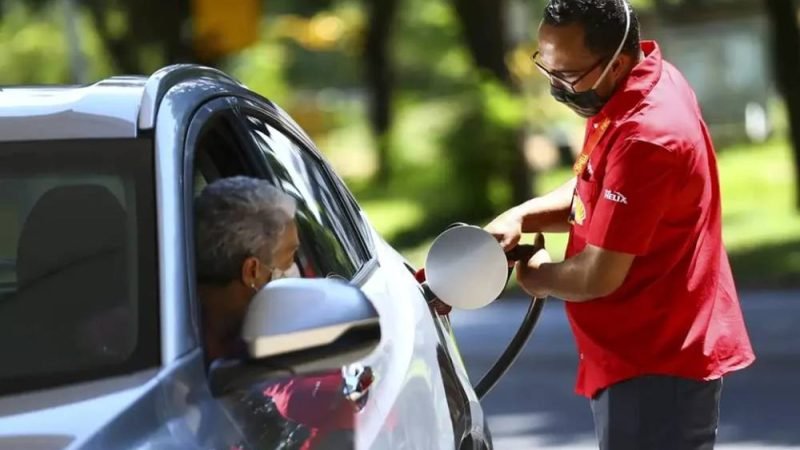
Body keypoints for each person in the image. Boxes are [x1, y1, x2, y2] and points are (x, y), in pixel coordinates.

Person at [485, 1, 755, 448]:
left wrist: (536, 274)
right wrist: (522, 216)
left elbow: (599, 274)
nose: (556, 86)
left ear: (617, 62)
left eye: (568, 75)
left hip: (656, 366)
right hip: (634, 358)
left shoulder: (647, 135)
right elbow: (598, 188)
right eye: (547, 68)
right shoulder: (635, 86)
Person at [195, 176, 300, 362]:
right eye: (290, 257)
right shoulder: (280, 345)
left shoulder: (162, 329)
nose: (295, 268)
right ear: (252, 271)